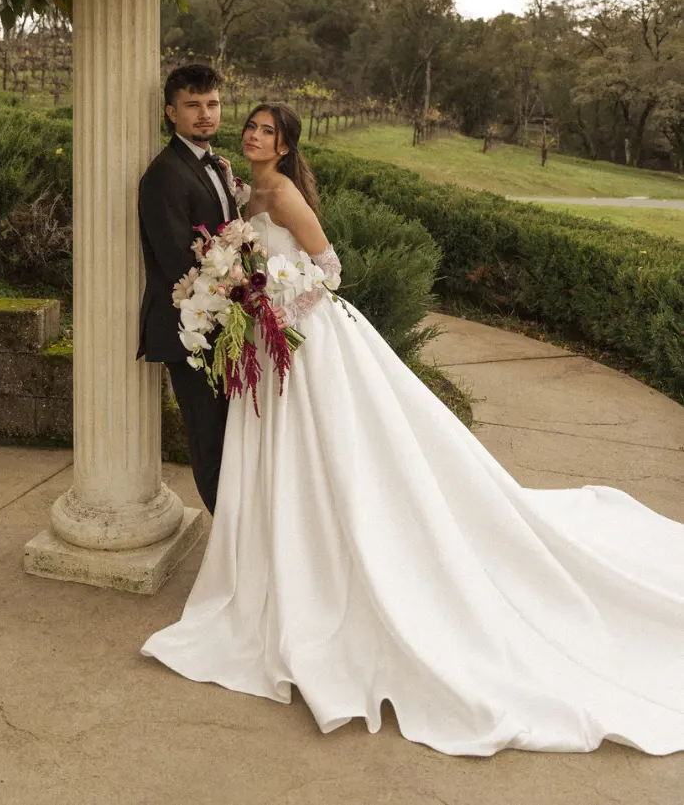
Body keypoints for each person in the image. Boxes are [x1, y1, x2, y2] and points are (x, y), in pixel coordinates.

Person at [142, 103, 684, 757]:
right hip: (266, 339)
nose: (253, 135)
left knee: (339, 453)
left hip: (306, 338)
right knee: (284, 458)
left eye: (267, 131)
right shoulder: (243, 187)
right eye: (251, 127)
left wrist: (277, 305)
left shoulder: (281, 192)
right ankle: (287, 557)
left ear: (284, 145)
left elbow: (328, 267)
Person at [137, 63, 241, 515]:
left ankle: (240, 534)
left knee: (233, 437)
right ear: (170, 112)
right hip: (190, 328)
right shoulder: (164, 174)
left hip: (226, 321)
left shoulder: (214, 163)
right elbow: (177, 260)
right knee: (209, 439)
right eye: (192, 105)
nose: (205, 114)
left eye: (212, 104)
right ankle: (230, 541)